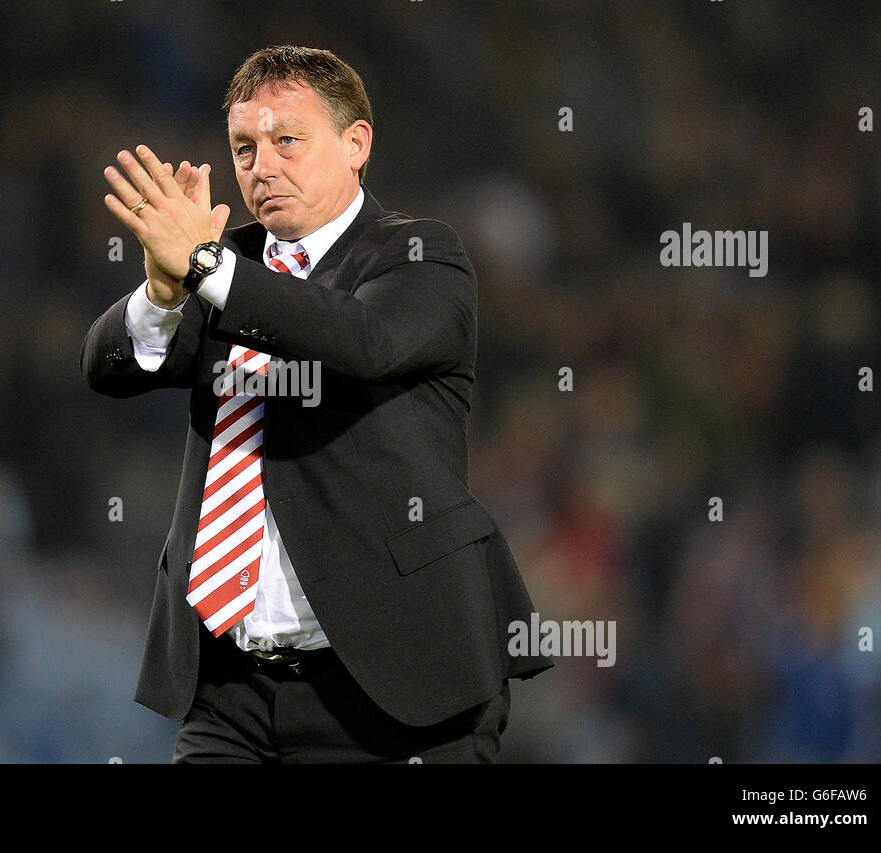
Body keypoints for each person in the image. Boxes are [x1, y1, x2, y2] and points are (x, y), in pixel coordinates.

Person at [82, 45, 552, 763]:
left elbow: (363, 340)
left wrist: (207, 269)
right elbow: (108, 365)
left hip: (395, 690)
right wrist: (162, 293)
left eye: (286, 140)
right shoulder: (221, 267)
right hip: (231, 692)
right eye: (243, 147)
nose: (260, 166)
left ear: (355, 144)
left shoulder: (420, 255)